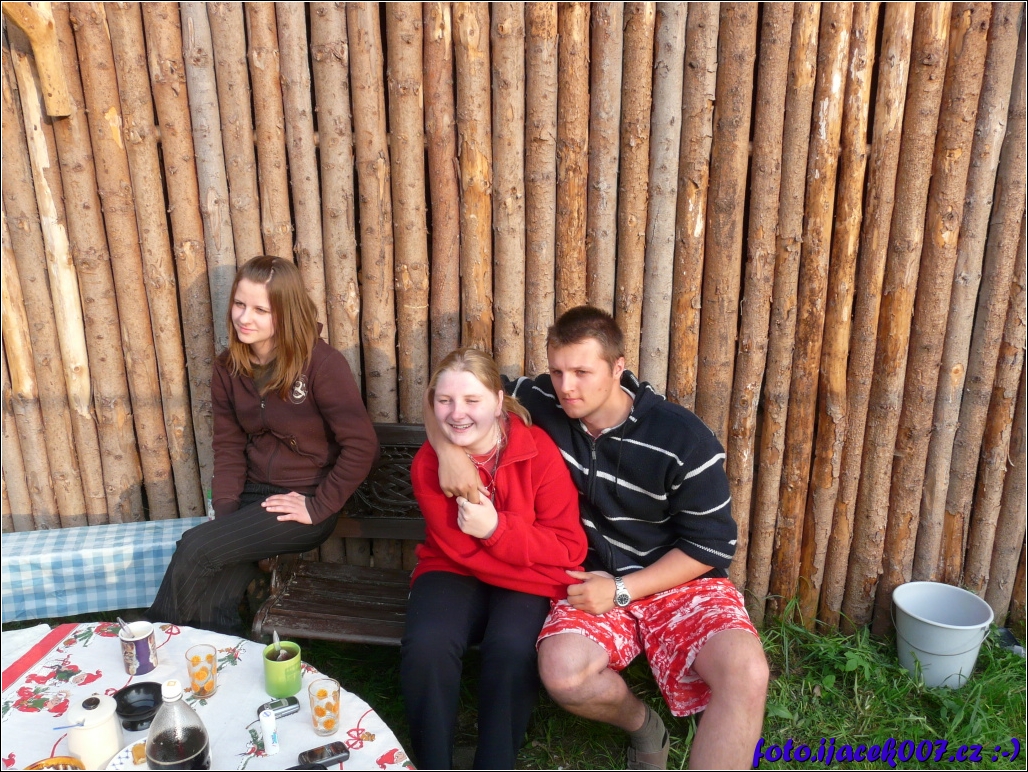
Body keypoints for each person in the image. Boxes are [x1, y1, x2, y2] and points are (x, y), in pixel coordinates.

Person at [429, 307, 769, 770]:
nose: (566, 387)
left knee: (746, 672)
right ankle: (642, 725)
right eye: (557, 371)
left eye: (582, 372)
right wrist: (448, 450)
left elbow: (710, 546)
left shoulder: (684, 438)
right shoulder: (541, 398)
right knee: (563, 674)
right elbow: (446, 396)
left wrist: (625, 589)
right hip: (586, 579)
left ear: (617, 367)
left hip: (680, 581)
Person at [147, 255, 378, 636]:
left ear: (285, 313)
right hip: (251, 497)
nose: (244, 318)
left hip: (302, 500)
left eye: (260, 310)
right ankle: (219, 662)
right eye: (239, 304)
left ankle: (146, 645)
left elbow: (361, 445)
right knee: (212, 600)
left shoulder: (321, 364)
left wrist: (318, 505)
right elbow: (228, 445)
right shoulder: (228, 367)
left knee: (196, 548)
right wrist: (225, 514)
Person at [401, 348, 588, 770]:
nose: (457, 414)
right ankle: (432, 762)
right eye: (445, 400)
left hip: (515, 573)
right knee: (428, 644)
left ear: (499, 401)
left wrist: (495, 530)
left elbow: (570, 547)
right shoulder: (430, 463)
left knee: (512, 647)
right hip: (453, 568)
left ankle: (495, 762)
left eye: (472, 400)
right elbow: (460, 551)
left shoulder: (537, 451)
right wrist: (544, 573)